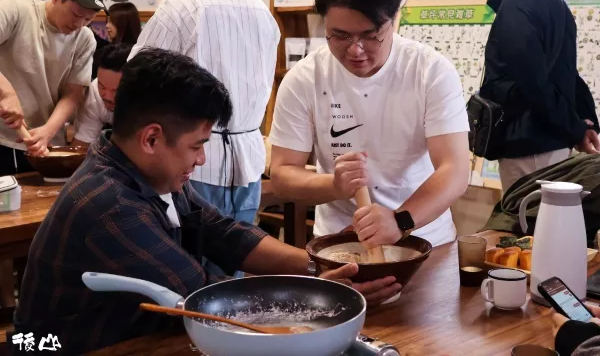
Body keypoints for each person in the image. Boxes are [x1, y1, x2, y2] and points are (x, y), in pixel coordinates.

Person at [13, 48, 400, 355]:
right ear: (151, 139)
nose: (200, 159)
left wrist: (320, 268)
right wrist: (320, 295)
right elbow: (204, 297)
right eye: (197, 146)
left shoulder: (144, 168)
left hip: (135, 333)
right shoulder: (111, 204)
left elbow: (221, 232)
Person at [268, 0, 470, 251]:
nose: (355, 50)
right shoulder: (305, 78)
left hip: (425, 239)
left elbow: (455, 170)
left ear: (394, 18)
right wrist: (334, 185)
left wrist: (400, 221)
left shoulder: (430, 71)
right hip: (340, 245)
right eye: (340, 35)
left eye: (370, 35)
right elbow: (282, 173)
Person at [128, 0, 279, 276]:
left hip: (195, 160)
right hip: (249, 161)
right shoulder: (261, 9)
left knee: (190, 268)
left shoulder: (182, 3)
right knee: (238, 260)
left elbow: (136, 75)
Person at [478, 0, 600, 191]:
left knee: (526, 218)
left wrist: (577, 128)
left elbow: (533, 83)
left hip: (529, 146)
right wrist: (582, 124)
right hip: (549, 141)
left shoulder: (517, 4)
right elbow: (565, 72)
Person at [0, 0, 105, 175]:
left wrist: (48, 131)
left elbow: (73, 93)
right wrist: (7, 93)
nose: (79, 24)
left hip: (44, 145)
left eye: (88, 19)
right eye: (76, 14)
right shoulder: (15, 11)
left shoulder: (85, 39)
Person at [72, 43, 131, 147]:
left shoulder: (147, 101)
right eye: (102, 87)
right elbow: (83, 144)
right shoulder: (93, 94)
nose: (107, 96)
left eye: (115, 90)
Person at [91, 2, 141, 79]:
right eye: (107, 21)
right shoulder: (138, 50)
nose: (107, 25)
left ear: (123, 24)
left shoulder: (117, 55)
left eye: (111, 22)